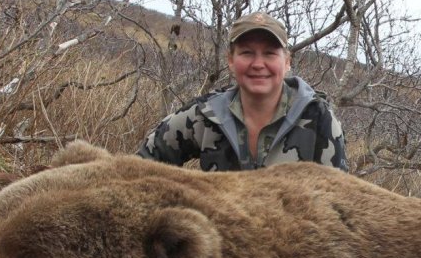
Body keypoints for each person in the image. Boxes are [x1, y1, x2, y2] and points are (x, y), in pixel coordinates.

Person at [138, 12, 348, 171]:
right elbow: (139, 167)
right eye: (247, 53)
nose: (258, 64)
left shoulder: (320, 119)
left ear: (287, 62)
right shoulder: (205, 114)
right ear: (231, 60)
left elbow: (339, 201)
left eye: (269, 54)